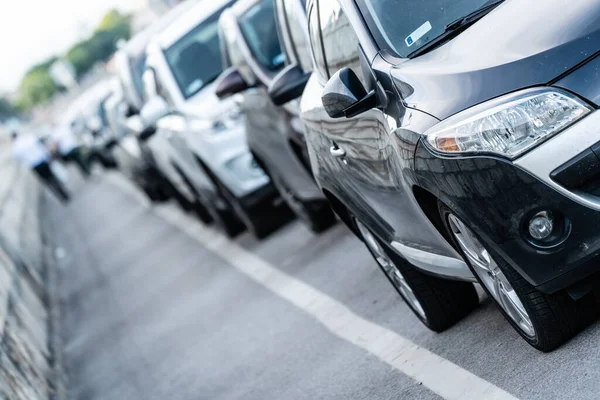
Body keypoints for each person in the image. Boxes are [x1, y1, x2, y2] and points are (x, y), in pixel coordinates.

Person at [11, 131, 70, 203]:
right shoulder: (29, 138)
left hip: (35, 166)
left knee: (48, 181)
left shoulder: (16, 147)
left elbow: (17, 160)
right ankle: (64, 193)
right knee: (53, 177)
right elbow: (41, 147)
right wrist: (48, 156)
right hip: (43, 161)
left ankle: (61, 197)